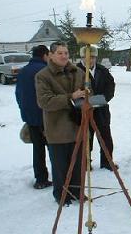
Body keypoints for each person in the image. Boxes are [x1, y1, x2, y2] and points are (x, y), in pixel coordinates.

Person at [35, 41, 86, 205]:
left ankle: (77, 191)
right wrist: (71, 97)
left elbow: (87, 92)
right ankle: (62, 195)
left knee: (78, 164)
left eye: (66, 53)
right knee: (60, 166)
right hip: (57, 128)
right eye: (60, 53)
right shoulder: (43, 76)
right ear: (51, 55)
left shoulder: (78, 72)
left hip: (77, 126)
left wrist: (88, 97)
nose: (64, 56)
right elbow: (44, 101)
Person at [15, 44, 52, 189]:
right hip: (45, 116)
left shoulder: (23, 71)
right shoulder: (45, 71)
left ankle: (41, 179)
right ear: (45, 55)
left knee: (38, 149)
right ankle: (61, 177)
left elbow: (18, 94)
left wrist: (24, 111)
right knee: (53, 148)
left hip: (30, 117)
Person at [76, 45, 116, 170]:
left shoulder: (102, 70)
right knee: (86, 139)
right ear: (82, 57)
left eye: (92, 57)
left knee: (106, 138)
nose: (90, 60)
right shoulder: (76, 71)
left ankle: (107, 161)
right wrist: (86, 103)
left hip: (102, 111)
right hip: (84, 112)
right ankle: (86, 163)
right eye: (87, 57)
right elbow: (74, 92)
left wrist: (101, 99)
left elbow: (110, 87)